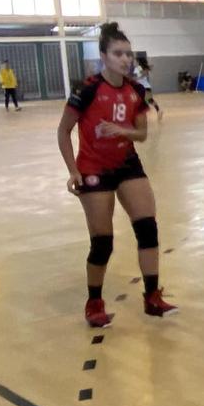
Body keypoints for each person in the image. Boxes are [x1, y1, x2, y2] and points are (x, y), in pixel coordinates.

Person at [58, 21, 174, 325]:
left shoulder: (136, 90)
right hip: (94, 169)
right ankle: (94, 302)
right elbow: (63, 131)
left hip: (127, 164)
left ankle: (152, 296)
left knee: (148, 228)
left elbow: (141, 135)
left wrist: (118, 130)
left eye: (128, 54)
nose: (126, 59)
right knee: (103, 242)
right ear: (104, 56)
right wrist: (73, 171)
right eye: (118, 53)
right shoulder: (88, 89)